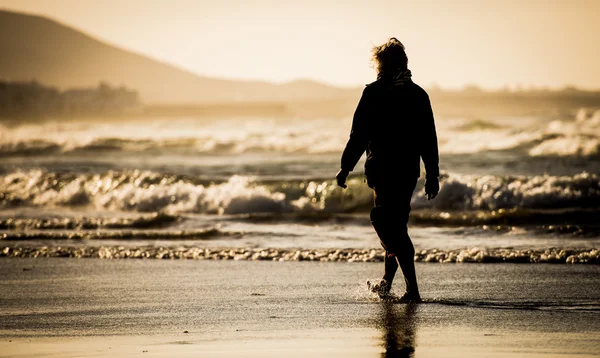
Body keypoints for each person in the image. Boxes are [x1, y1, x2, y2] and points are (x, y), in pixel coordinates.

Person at [335, 37, 440, 302]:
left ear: (382, 65)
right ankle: (387, 283)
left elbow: (359, 135)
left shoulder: (375, 93)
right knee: (395, 226)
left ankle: (412, 290)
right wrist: (432, 174)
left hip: (383, 172)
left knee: (386, 223)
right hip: (406, 173)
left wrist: (345, 167)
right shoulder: (418, 94)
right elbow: (429, 139)